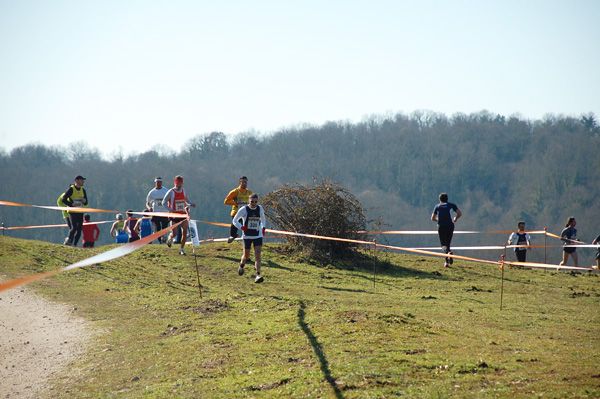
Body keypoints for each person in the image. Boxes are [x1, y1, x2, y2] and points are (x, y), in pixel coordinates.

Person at [232, 193, 266, 283]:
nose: (254, 203)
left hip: (257, 235)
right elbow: (235, 220)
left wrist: (263, 227)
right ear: (248, 201)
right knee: (246, 256)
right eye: (252, 201)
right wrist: (241, 227)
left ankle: (258, 275)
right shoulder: (244, 209)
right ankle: (241, 265)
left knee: (258, 255)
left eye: (255, 201)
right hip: (247, 236)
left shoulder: (260, 208)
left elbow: (263, 218)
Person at [162, 175, 196, 255]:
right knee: (175, 233)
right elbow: (164, 202)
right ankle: (170, 237)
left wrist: (191, 204)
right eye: (177, 183)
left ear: (182, 183)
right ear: (175, 183)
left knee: (184, 232)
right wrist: (171, 210)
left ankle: (181, 249)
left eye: (180, 183)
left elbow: (186, 201)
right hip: (174, 216)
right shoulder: (171, 192)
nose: (179, 185)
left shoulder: (184, 191)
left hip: (183, 215)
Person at [431, 192, 462, 267]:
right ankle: (447, 261)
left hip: (441, 226)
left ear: (440, 199)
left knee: (443, 245)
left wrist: (438, 219)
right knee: (448, 243)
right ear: (447, 199)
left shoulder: (437, 206)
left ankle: (448, 254)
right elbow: (459, 213)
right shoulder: (452, 205)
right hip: (450, 226)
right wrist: (455, 219)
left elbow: (432, 218)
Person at [61, 175, 88, 246]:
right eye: (81, 180)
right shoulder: (71, 189)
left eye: (83, 180)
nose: (83, 182)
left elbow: (86, 202)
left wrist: (84, 201)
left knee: (79, 229)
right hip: (72, 212)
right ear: (76, 181)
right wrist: (71, 204)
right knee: (74, 228)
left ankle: (75, 245)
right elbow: (63, 199)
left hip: (80, 211)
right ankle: (69, 239)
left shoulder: (83, 190)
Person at [224, 176, 253, 243]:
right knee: (235, 224)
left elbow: (254, 201)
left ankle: (248, 238)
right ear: (239, 183)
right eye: (243, 182)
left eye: (245, 182)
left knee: (247, 226)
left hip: (246, 213)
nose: (244, 184)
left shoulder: (249, 192)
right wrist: (235, 202)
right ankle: (233, 235)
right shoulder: (235, 192)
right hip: (236, 212)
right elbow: (226, 201)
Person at [146, 177, 170, 243]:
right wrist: (149, 208)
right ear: (155, 183)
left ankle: (164, 237)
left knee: (164, 226)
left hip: (165, 212)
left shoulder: (166, 191)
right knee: (157, 227)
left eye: (160, 182)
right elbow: (148, 202)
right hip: (156, 212)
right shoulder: (152, 192)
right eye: (157, 182)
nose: (159, 184)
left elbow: (170, 199)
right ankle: (160, 240)